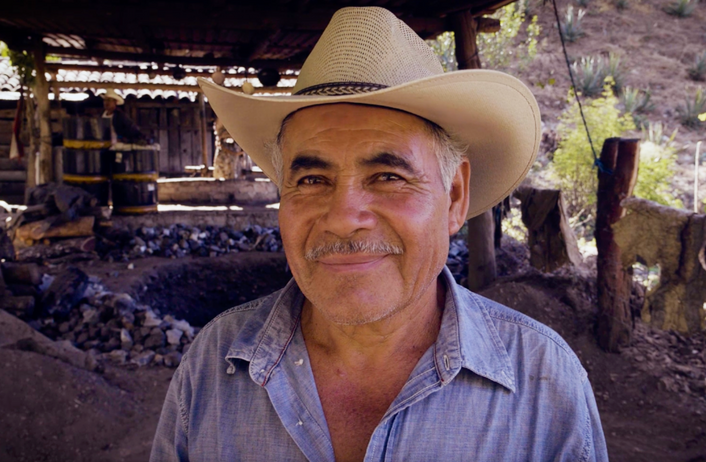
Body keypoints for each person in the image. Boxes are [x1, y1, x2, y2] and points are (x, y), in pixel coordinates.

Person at [151, 7, 608, 462]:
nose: (343, 217)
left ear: (453, 198)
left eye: (388, 176)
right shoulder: (212, 366)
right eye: (312, 180)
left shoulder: (544, 383)